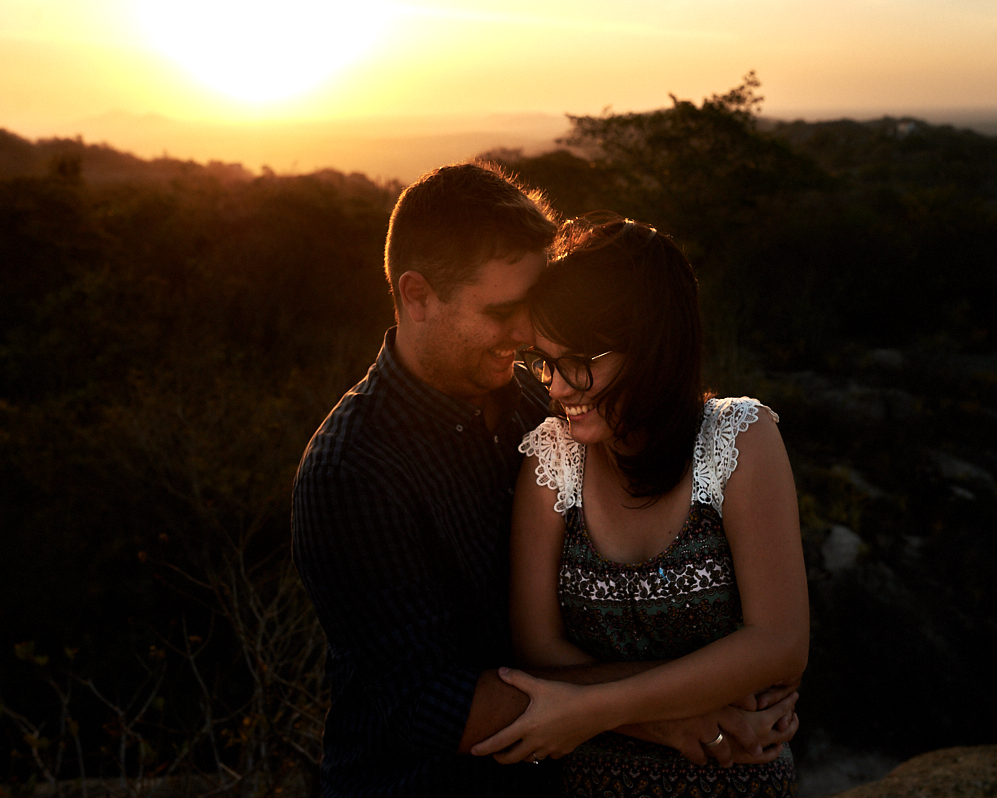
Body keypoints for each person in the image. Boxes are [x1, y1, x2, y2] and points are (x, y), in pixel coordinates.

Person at [292, 165, 800, 797]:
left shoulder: (540, 405)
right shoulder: (352, 469)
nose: (527, 333)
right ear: (416, 296)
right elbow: (425, 703)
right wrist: (674, 710)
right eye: (503, 311)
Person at [471, 218, 810, 796]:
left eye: (579, 360)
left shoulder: (739, 439)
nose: (556, 387)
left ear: (653, 348)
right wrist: (675, 714)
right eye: (544, 360)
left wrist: (590, 708)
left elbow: (780, 646)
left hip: (734, 775)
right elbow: (538, 651)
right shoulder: (553, 459)